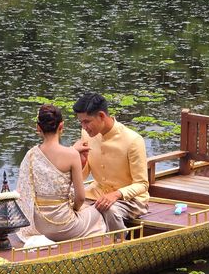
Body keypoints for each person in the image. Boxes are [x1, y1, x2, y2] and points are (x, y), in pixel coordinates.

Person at [15, 105, 106, 242]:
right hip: (64, 226)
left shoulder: (30, 155)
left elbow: (22, 193)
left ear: (38, 128)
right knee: (98, 213)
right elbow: (80, 198)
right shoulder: (72, 155)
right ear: (61, 126)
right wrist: (75, 210)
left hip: (38, 227)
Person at [72, 92, 149, 232]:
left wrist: (116, 194)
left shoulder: (133, 140)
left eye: (86, 122)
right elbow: (82, 175)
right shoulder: (86, 134)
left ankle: (120, 242)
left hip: (131, 200)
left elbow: (142, 184)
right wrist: (79, 161)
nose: (83, 127)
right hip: (96, 193)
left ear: (101, 116)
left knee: (109, 209)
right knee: (64, 198)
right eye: (81, 122)